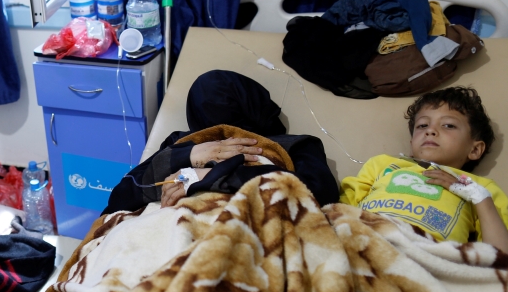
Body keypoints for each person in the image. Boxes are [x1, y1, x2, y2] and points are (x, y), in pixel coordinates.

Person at [104, 70, 340, 213]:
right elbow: (119, 200)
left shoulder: (293, 146)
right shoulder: (182, 143)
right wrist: (189, 155)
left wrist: (211, 177)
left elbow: (321, 195)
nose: (225, 140)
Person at [340, 86, 508, 256]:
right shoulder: (381, 164)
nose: (431, 130)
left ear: (474, 150)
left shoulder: (480, 188)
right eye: (422, 126)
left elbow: (507, 262)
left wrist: (479, 198)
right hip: (364, 240)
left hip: (426, 257)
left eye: (448, 125)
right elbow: (338, 213)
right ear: (412, 144)